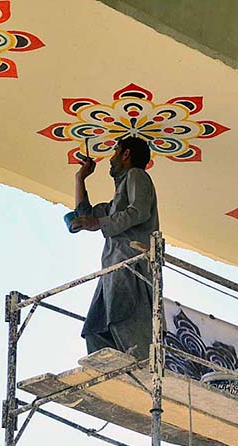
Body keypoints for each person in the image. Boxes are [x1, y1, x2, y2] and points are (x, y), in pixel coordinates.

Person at [69, 136, 159, 359]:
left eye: (115, 151)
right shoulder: (116, 201)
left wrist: (98, 223)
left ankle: (140, 374)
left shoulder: (137, 175)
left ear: (126, 154)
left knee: (124, 327)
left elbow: (139, 211)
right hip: (112, 270)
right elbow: (86, 215)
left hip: (130, 267)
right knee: (95, 330)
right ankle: (110, 380)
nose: (111, 159)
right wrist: (80, 178)